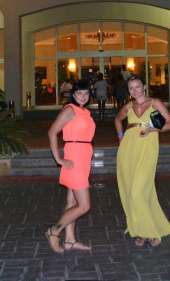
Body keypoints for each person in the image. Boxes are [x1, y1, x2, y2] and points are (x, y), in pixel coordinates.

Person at [114, 74, 170, 247]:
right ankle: (140, 231)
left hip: (147, 147)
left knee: (137, 192)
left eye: (137, 87)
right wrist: (121, 136)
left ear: (144, 87)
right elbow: (118, 120)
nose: (134, 91)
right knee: (132, 191)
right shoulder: (129, 106)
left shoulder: (155, 103)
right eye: (131, 88)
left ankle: (150, 232)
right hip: (128, 150)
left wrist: (152, 129)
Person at [45, 79, 96, 253]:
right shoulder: (70, 110)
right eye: (79, 93)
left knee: (72, 201)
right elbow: (52, 132)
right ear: (73, 94)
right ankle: (54, 230)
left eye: (86, 93)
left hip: (84, 156)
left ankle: (70, 240)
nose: (83, 96)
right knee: (84, 205)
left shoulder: (85, 112)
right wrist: (58, 158)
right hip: (74, 157)